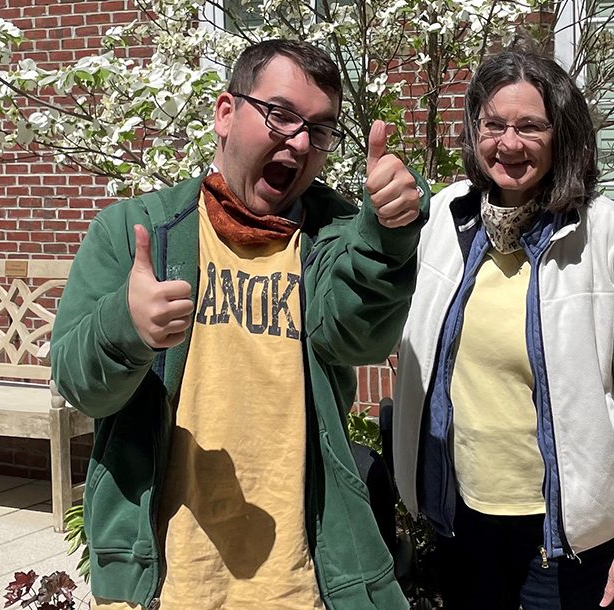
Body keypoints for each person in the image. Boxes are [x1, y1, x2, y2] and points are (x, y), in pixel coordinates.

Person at [49, 39, 426, 610]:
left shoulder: (333, 237)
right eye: (280, 115)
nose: (299, 142)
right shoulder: (138, 231)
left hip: (302, 583)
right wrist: (125, 327)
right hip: (166, 582)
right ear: (226, 113)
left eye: (319, 131)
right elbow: (78, 385)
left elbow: (359, 336)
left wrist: (386, 240)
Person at [391, 49, 614, 610]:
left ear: (562, 137)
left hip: (564, 539)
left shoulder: (603, 234)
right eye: (494, 125)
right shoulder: (445, 219)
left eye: (531, 126)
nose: (509, 144)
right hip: (461, 519)